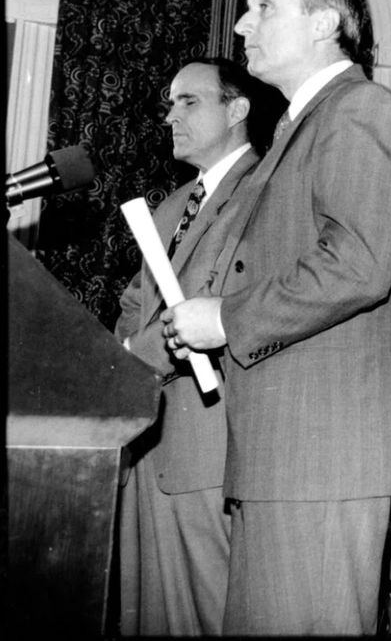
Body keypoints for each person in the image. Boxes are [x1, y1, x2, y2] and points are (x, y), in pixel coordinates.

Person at [162, 0, 391, 635]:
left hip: (319, 455)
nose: (244, 22)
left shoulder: (360, 110)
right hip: (282, 453)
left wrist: (227, 318)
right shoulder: (300, 127)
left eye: (264, 4)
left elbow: (359, 263)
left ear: (325, 22)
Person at [114, 57, 281, 635]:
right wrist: (124, 355)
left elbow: (236, 300)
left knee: (215, 613)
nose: (170, 116)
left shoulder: (268, 191)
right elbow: (133, 308)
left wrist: (142, 352)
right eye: (169, 102)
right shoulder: (167, 208)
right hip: (150, 446)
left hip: (214, 444)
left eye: (189, 102)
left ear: (237, 110)